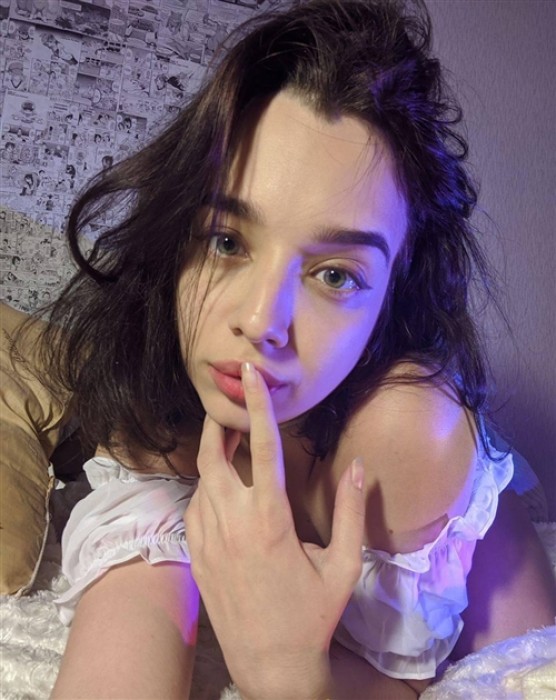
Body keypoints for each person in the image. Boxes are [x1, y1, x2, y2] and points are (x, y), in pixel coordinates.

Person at [31, 0, 554, 698]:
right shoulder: (157, 381)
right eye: (226, 241)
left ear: (392, 296)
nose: (259, 322)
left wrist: (282, 670)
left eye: (334, 276)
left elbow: (404, 679)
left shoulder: (405, 430)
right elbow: (121, 639)